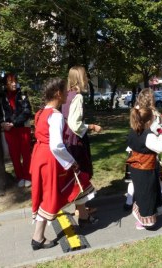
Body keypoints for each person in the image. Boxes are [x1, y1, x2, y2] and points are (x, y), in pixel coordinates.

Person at [30, 78, 95, 250]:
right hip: (51, 159)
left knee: (74, 183)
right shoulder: (56, 116)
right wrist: (72, 162)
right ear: (58, 94)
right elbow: (57, 145)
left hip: (40, 157)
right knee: (51, 195)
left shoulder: (41, 113)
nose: (68, 94)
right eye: (65, 91)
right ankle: (37, 238)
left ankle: (83, 214)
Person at [124, 88, 162, 211]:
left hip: (134, 147)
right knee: (155, 174)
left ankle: (129, 201)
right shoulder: (153, 114)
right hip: (148, 148)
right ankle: (161, 197)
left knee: (134, 176)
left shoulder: (136, 110)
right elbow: (159, 131)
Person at [61, 66, 102, 223]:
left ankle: (82, 209)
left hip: (68, 139)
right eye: (85, 76)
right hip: (76, 140)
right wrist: (92, 127)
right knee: (82, 174)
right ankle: (84, 217)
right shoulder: (77, 97)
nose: (87, 78)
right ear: (80, 78)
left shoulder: (67, 95)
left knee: (77, 175)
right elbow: (74, 124)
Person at [127, 106, 162, 230]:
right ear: (149, 121)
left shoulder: (133, 131)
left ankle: (145, 214)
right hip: (145, 169)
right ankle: (144, 220)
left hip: (136, 168)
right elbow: (161, 148)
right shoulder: (147, 136)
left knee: (142, 192)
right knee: (147, 194)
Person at [0, 73, 32, 188]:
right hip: (9, 130)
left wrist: (14, 123)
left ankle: (28, 176)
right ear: (5, 84)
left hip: (23, 128)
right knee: (14, 155)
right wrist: (2, 123)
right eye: (11, 82)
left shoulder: (22, 94)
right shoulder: (1, 97)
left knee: (26, 154)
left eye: (15, 81)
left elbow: (27, 111)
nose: (14, 83)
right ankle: (20, 177)